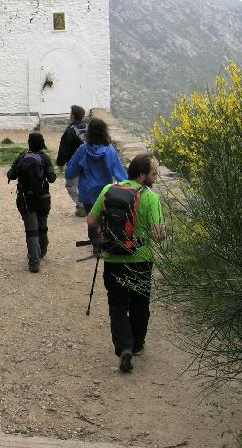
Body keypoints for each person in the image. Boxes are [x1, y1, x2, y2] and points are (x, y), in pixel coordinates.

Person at [86, 153, 165, 373]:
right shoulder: (151, 198)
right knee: (140, 302)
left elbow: (91, 220)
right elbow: (157, 234)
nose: (155, 178)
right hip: (140, 259)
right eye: (153, 174)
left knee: (117, 304)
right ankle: (137, 345)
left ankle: (124, 347)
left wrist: (98, 240)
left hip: (113, 258)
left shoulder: (108, 190)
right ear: (141, 175)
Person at [6, 132, 56, 273]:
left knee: (31, 230)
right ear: (42, 143)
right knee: (42, 226)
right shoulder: (44, 158)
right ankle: (42, 251)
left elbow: (10, 175)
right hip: (43, 198)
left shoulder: (22, 157)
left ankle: (34, 262)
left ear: (29, 143)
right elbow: (52, 178)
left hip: (25, 199)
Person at [64, 118, 127, 219]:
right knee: (104, 221)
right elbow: (120, 174)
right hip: (105, 192)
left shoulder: (83, 149)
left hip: (87, 193)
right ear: (105, 132)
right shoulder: (110, 150)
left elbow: (70, 172)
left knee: (92, 222)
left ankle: (94, 234)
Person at [55, 105, 88, 216]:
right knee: (83, 184)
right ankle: (87, 205)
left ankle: (82, 206)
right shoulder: (88, 128)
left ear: (73, 116)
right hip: (89, 162)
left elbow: (64, 148)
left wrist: (60, 163)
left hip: (75, 163)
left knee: (71, 185)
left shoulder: (70, 131)